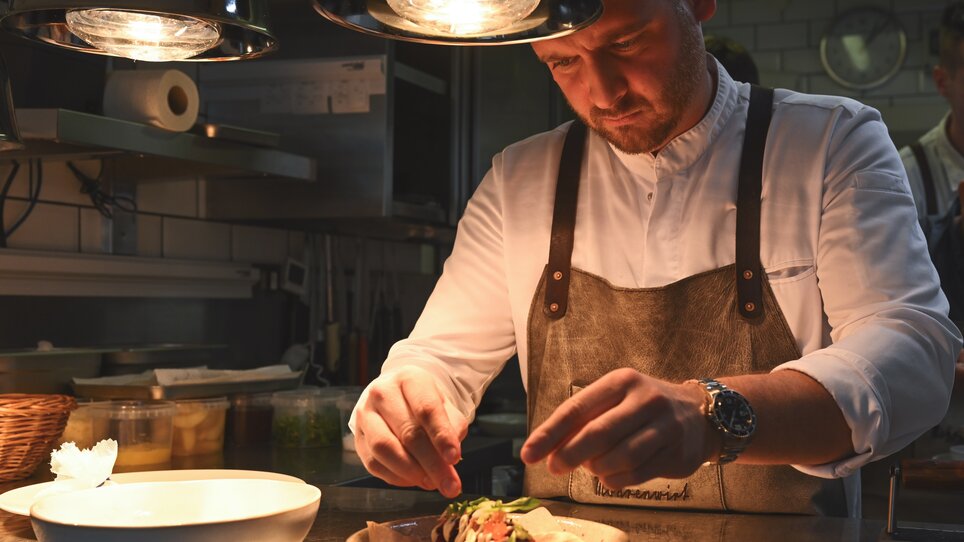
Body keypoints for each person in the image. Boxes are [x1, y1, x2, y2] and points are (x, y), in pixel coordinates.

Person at [350, 0, 960, 518]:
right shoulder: (519, 180)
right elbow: (440, 359)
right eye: (562, 62)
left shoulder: (831, 143)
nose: (604, 93)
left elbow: (913, 352)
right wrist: (408, 399)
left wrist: (714, 414)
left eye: (626, 42)